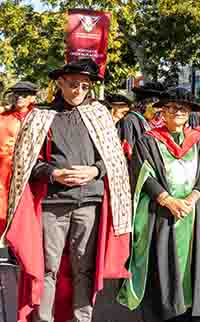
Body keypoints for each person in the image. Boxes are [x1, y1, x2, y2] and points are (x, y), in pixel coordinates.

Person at [4, 59, 131, 322]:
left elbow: (114, 159)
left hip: (89, 202)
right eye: (74, 84)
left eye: (85, 86)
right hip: (54, 204)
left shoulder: (100, 116)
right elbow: (26, 163)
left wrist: (95, 171)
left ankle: (81, 319)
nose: (79, 90)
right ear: (60, 83)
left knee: (83, 268)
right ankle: (44, 319)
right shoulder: (40, 117)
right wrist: (54, 173)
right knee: (47, 267)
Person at [118, 87, 200, 321]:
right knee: (161, 268)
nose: (177, 112)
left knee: (194, 266)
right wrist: (167, 200)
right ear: (162, 112)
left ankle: (190, 313)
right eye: (171, 108)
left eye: (183, 109)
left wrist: (191, 198)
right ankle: (164, 313)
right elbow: (142, 174)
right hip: (161, 215)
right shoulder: (148, 140)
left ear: (189, 114)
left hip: (192, 213)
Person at [0, 80, 38, 231]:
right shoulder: (3, 118)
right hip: (4, 173)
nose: (19, 97)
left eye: (24, 94)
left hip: (31, 173)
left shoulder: (39, 119)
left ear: (33, 98)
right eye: (16, 93)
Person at [118, 81, 166, 161]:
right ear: (145, 104)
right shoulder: (130, 121)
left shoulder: (148, 121)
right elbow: (127, 151)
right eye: (156, 107)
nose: (158, 111)